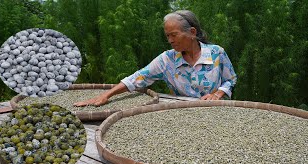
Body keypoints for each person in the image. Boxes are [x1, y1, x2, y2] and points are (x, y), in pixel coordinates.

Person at [74, 10, 237, 107]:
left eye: (174, 35)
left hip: (216, 111)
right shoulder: (167, 60)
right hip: (182, 113)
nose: (170, 40)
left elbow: (231, 79)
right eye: (167, 36)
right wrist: (106, 95)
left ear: (192, 32)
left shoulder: (216, 53)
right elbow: (138, 78)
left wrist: (219, 94)